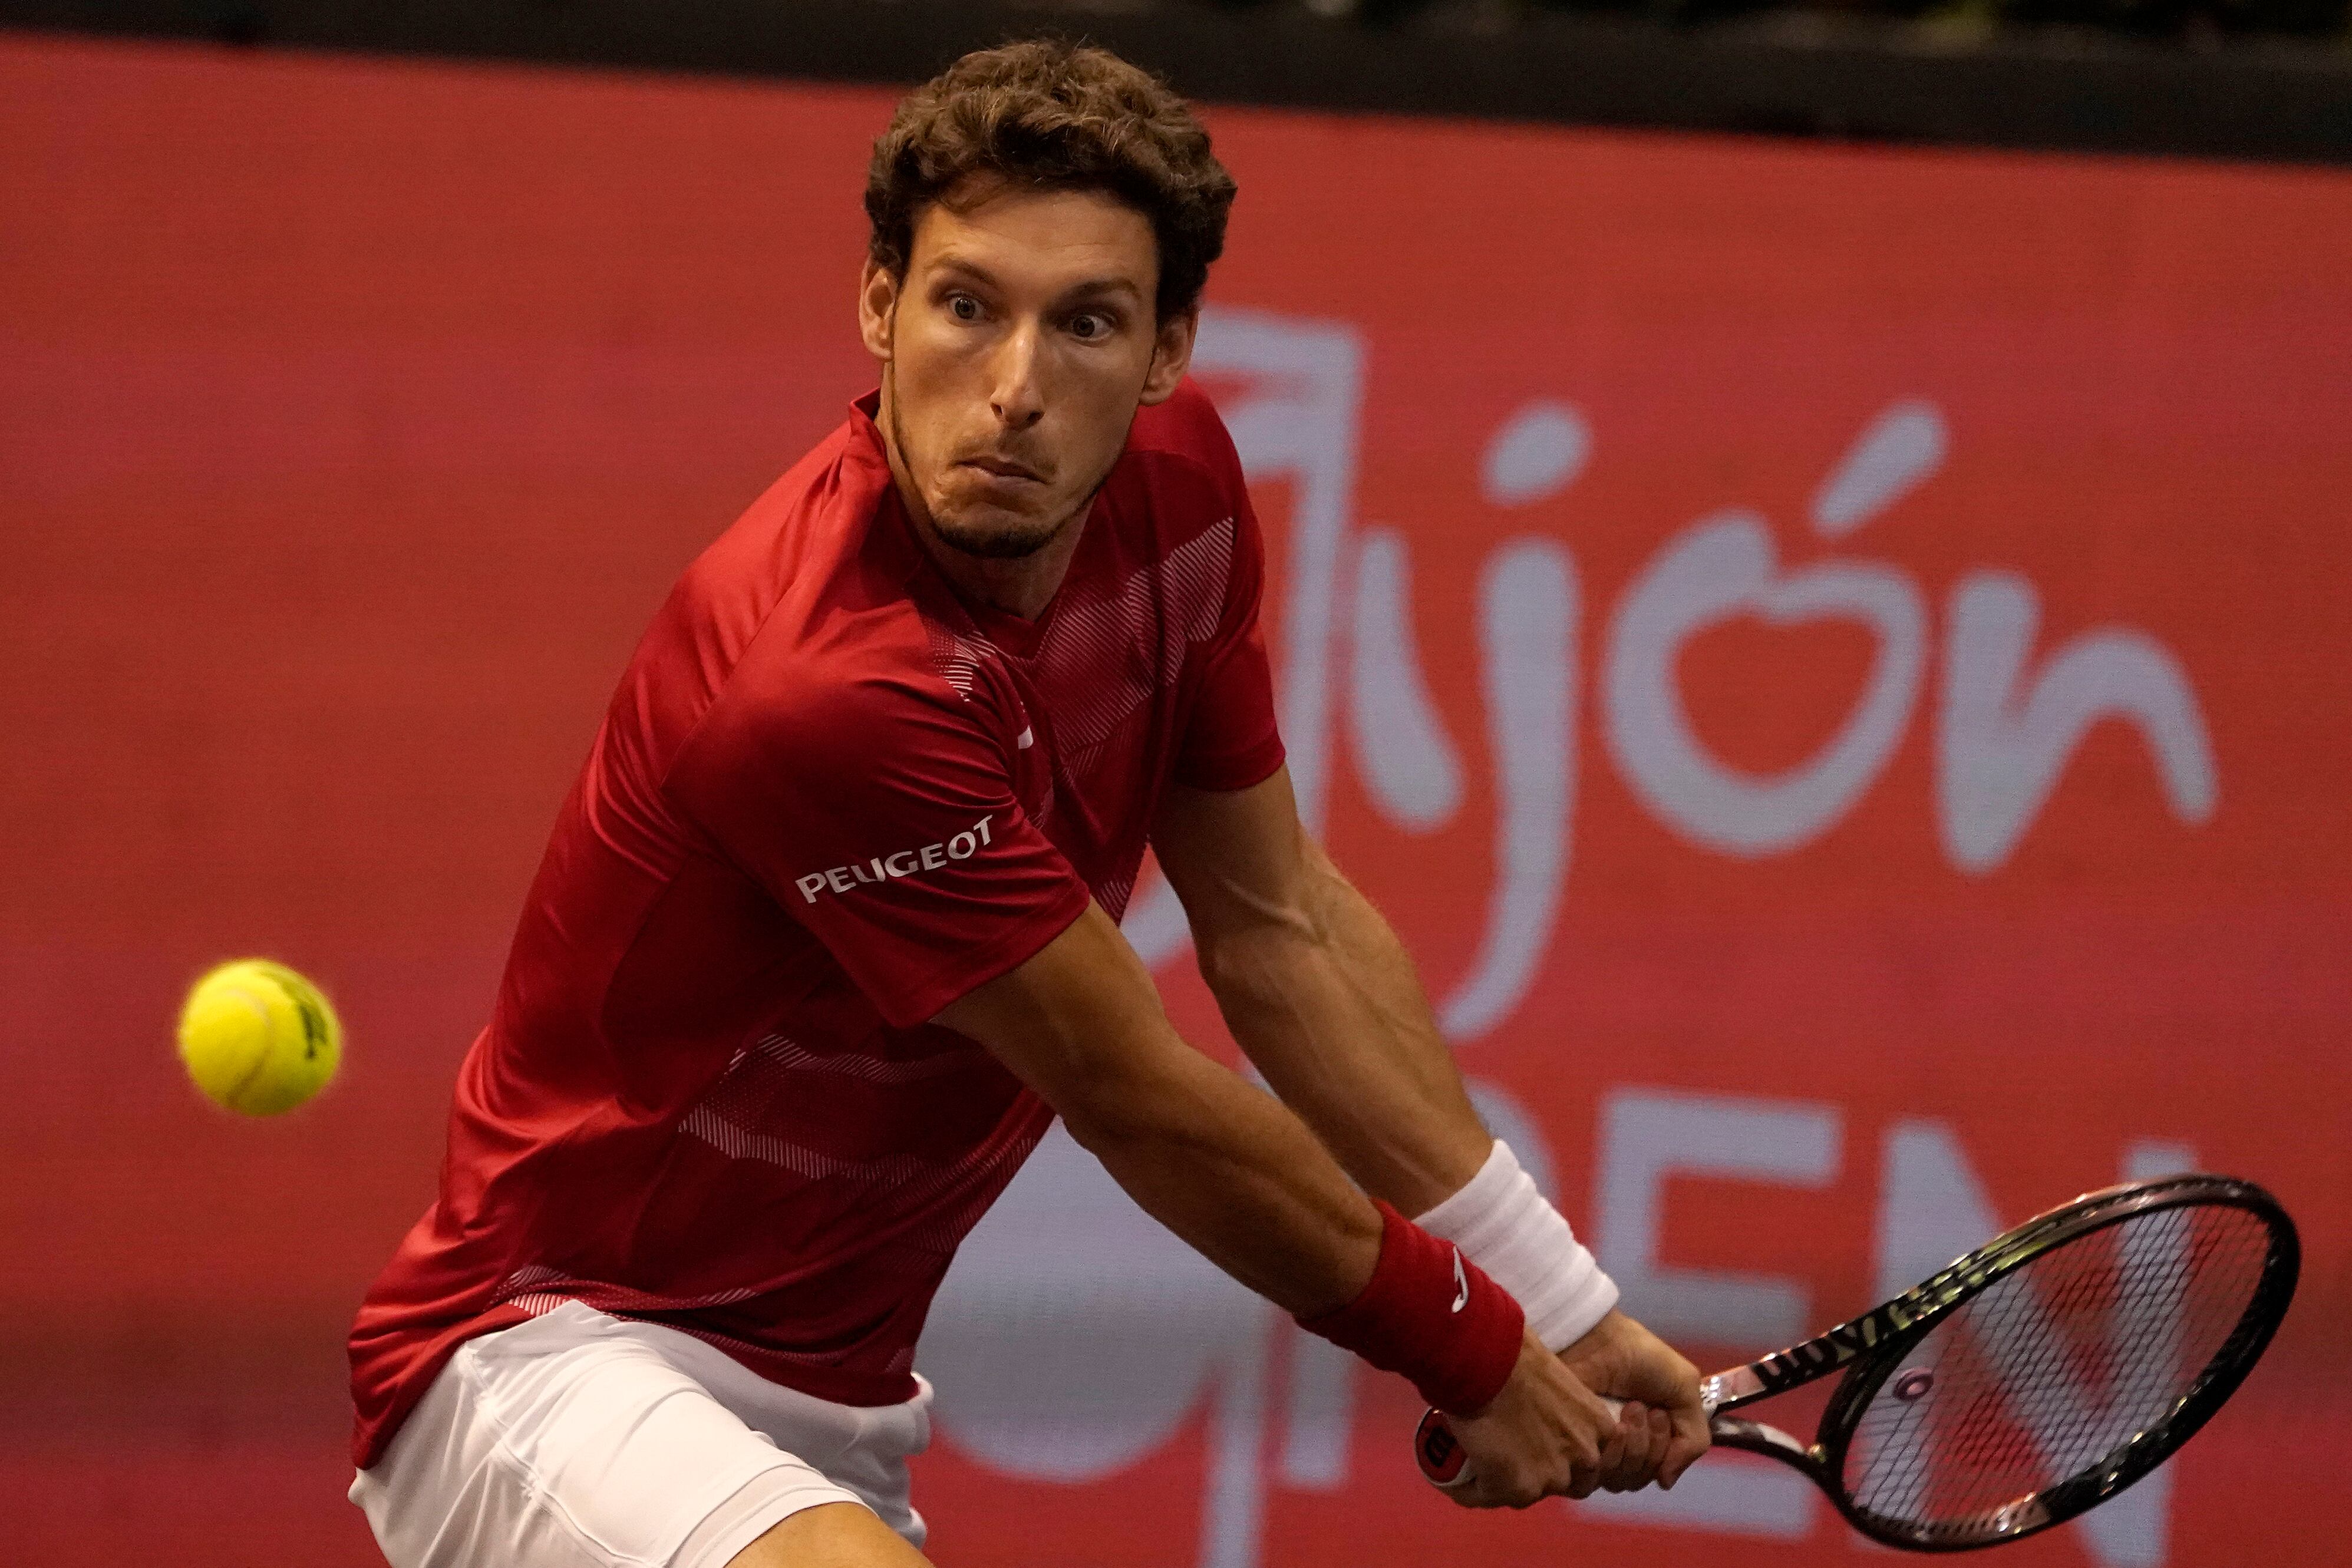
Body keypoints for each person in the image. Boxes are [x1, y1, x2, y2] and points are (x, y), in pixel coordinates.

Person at [347, 38, 1709, 1568]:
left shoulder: (1184, 498)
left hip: (835, 1409)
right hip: (552, 1351)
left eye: (1087, 326)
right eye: (966, 305)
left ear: (1171, 348)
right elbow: (1126, 1087)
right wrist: (1467, 1343)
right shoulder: (826, 685)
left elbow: (1281, 928)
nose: (1012, 390)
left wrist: (1564, 1309)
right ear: (879, 304)